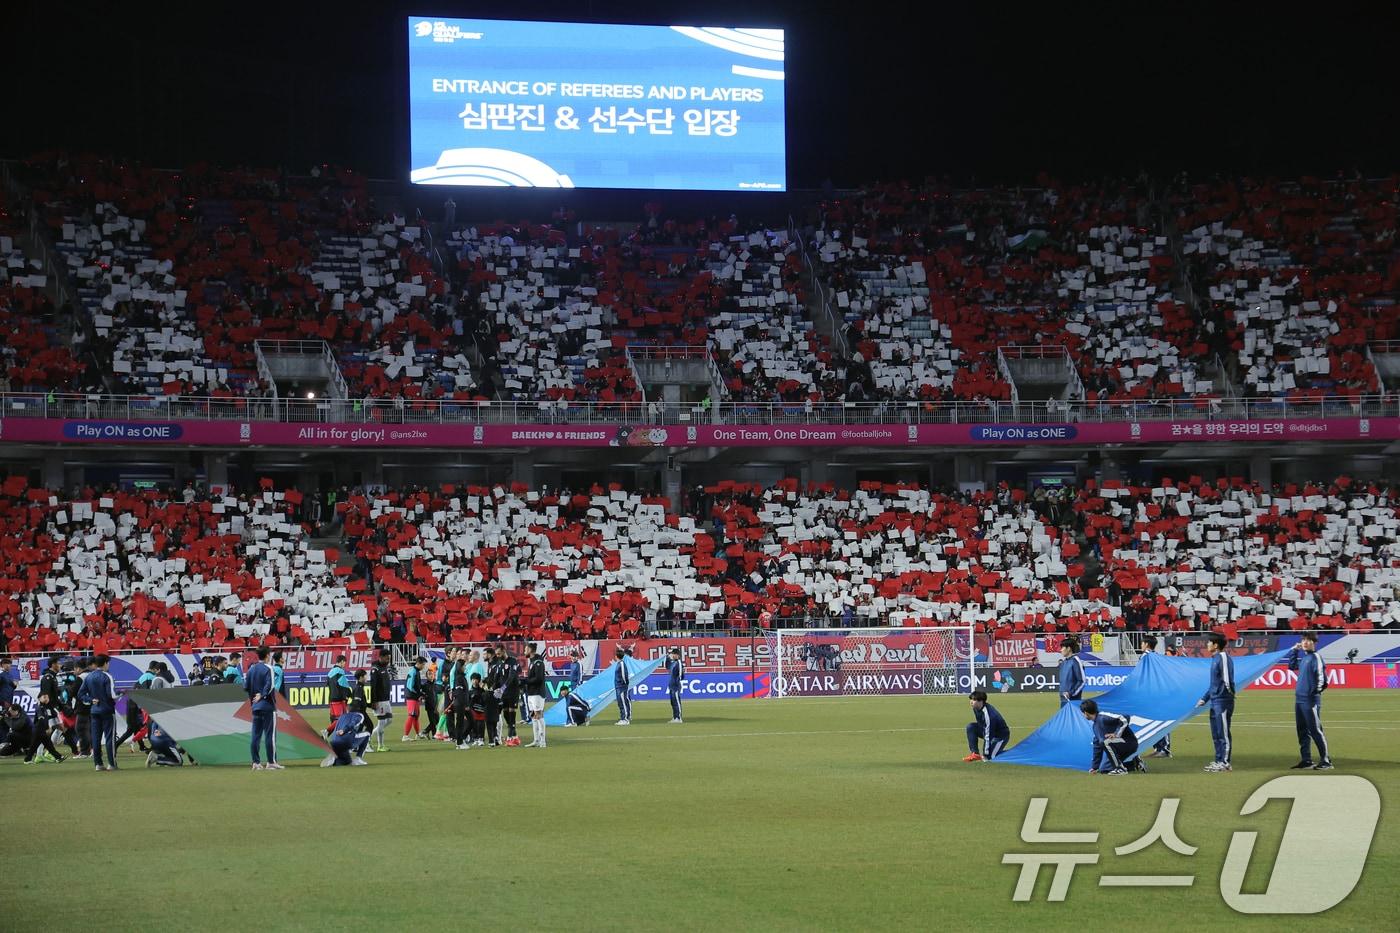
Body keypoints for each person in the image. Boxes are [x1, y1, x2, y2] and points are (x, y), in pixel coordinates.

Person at [1288, 631, 1332, 770]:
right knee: (1302, 730)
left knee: (1315, 730)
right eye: (1303, 640)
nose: (1305, 642)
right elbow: (1291, 666)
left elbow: (1323, 680)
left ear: (1315, 643)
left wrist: (1313, 693)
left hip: (1309, 700)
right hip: (1300, 699)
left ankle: (1326, 761)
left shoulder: (1316, 657)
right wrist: (1294, 651)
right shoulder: (1305, 658)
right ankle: (1306, 760)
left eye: (1308, 640)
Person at [1195, 632, 1235, 773]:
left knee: (1223, 732)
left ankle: (1225, 762)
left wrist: (1228, 694)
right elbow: (1214, 683)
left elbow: (1227, 679)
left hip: (1222, 700)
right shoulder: (1215, 659)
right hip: (1215, 700)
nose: (1207, 645)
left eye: (1209, 642)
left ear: (1216, 645)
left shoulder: (1223, 657)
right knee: (1216, 733)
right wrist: (1205, 698)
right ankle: (1219, 760)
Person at [1080, 698, 1145, 775]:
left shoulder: (1103, 717)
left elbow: (1125, 718)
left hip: (1129, 743)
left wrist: (1116, 734)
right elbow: (1097, 747)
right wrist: (1095, 767)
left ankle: (1120, 769)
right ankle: (1134, 762)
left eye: (1082, 713)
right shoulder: (1095, 727)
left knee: (1105, 742)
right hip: (1116, 746)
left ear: (1086, 713)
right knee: (1104, 770)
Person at [245, 647, 282, 771]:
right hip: (267, 705)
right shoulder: (269, 668)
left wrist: (253, 699)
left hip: (255, 707)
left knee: (255, 735)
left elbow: (246, 687)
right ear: (267, 655)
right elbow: (270, 685)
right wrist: (262, 694)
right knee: (270, 735)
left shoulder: (251, 669)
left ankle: (255, 762)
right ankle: (271, 762)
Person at [82, 655, 120, 772]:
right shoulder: (107, 676)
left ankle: (98, 764)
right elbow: (112, 695)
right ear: (105, 663)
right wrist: (122, 694)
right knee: (109, 738)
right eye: (108, 663)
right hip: (107, 710)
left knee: (96, 738)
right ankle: (112, 764)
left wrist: (90, 700)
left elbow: (81, 694)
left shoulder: (89, 677)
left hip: (94, 711)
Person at [1141, 635, 1171, 758]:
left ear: (1147, 644)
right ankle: (1159, 748)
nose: (1141, 645)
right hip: (1158, 693)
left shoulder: (1146, 657)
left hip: (1151, 694)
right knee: (1157, 720)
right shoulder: (1158, 657)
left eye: (1142, 643)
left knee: (1158, 720)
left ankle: (1163, 749)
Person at [964, 690, 1011, 761]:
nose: (971, 701)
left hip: (1000, 736)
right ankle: (975, 754)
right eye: (971, 699)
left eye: (974, 700)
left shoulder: (989, 715)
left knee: (990, 757)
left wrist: (985, 754)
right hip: (988, 731)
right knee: (971, 727)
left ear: (981, 701)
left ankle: (1013, 752)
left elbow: (988, 735)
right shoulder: (976, 708)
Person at [24, 693, 67, 764]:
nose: (46, 698)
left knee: (49, 745)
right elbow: (41, 719)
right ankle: (27, 760)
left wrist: (47, 727)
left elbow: (47, 719)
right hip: (38, 730)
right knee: (34, 746)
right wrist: (47, 728)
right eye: (44, 697)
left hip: (41, 731)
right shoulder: (40, 707)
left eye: (47, 697)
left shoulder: (46, 707)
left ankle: (58, 757)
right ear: (39, 699)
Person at [495, 647, 521, 747]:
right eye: (496, 654)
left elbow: (512, 676)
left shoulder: (512, 661)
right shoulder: (499, 663)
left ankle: (510, 738)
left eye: (498, 654)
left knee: (511, 715)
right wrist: (493, 688)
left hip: (512, 691)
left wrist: (503, 688)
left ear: (503, 652)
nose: (497, 656)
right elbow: (497, 677)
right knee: (506, 715)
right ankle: (515, 737)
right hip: (503, 693)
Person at [368, 650, 394, 752]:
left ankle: (368, 737)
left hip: (386, 699)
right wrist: (373, 701)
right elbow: (373, 686)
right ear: (381, 657)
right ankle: (380, 745)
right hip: (379, 700)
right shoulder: (375, 669)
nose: (388, 660)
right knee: (382, 722)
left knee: (389, 720)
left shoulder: (383, 667)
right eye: (387, 658)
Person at [524, 644, 548, 748]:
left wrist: (526, 681)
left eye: (526, 649)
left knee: (538, 715)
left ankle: (543, 741)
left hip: (537, 693)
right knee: (533, 716)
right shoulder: (532, 662)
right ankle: (536, 740)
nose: (524, 651)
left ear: (530, 650)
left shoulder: (538, 663)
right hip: (531, 693)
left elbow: (539, 678)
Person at [448, 654, 471, 749]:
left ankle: (461, 739)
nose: (465, 667)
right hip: (460, 703)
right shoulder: (459, 678)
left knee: (470, 721)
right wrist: (465, 704)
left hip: (462, 703)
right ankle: (459, 742)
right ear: (460, 667)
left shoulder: (461, 677)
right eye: (464, 666)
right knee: (460, 723)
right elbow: (459, 693)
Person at [402, 657, 427, 742]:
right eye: (423, 664)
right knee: (411, 715)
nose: (424, 666)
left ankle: (417, 734)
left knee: (416, 716)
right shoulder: (413, 671)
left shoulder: (416, 672)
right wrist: (419, 693)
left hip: (415, 697)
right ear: (419, 663)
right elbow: (410, 686)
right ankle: (405, 736)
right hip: (411, 697)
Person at [326, 655, 351, 736]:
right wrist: (348, 696)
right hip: (339, 699)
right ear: (342, 661)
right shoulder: (340, 671)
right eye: (344, 663)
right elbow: (344, 685)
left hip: (332, 698)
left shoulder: (330, 672)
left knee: (334, 719)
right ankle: (326, 732)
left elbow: (327, 684)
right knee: (341, 720)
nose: (344, 665)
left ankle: (329, 737)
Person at [1057, 637, 1085, 708]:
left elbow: (1082, 681)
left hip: (1073, 701)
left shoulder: (1075, 661)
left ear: (1068, 648)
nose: (1061, 650)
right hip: (1063, 699)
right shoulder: (1063, 663)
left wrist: (1071, 693)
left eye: (1062, 647)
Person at [665, 648, 685, 724]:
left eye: (673, 654)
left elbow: (681, 674)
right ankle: (675, 717)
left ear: (677, 655)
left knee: (677, 702)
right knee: (673, 702)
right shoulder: (672, 663)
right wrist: (667, 658)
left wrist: (677, 681)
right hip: (671, 685)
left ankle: (679, 718)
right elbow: (667, 667)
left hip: (676, 686)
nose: (672, 655)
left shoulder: (678, 663)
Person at [613, 647, 632, 725]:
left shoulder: (621, 663)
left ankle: (625, 719)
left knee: (623, 702)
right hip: (618, 686)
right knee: (620, 703)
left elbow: (624, 675)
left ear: (616, 656)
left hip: (621, 686)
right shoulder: (619, 663)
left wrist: (625, 683)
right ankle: (622, 718)